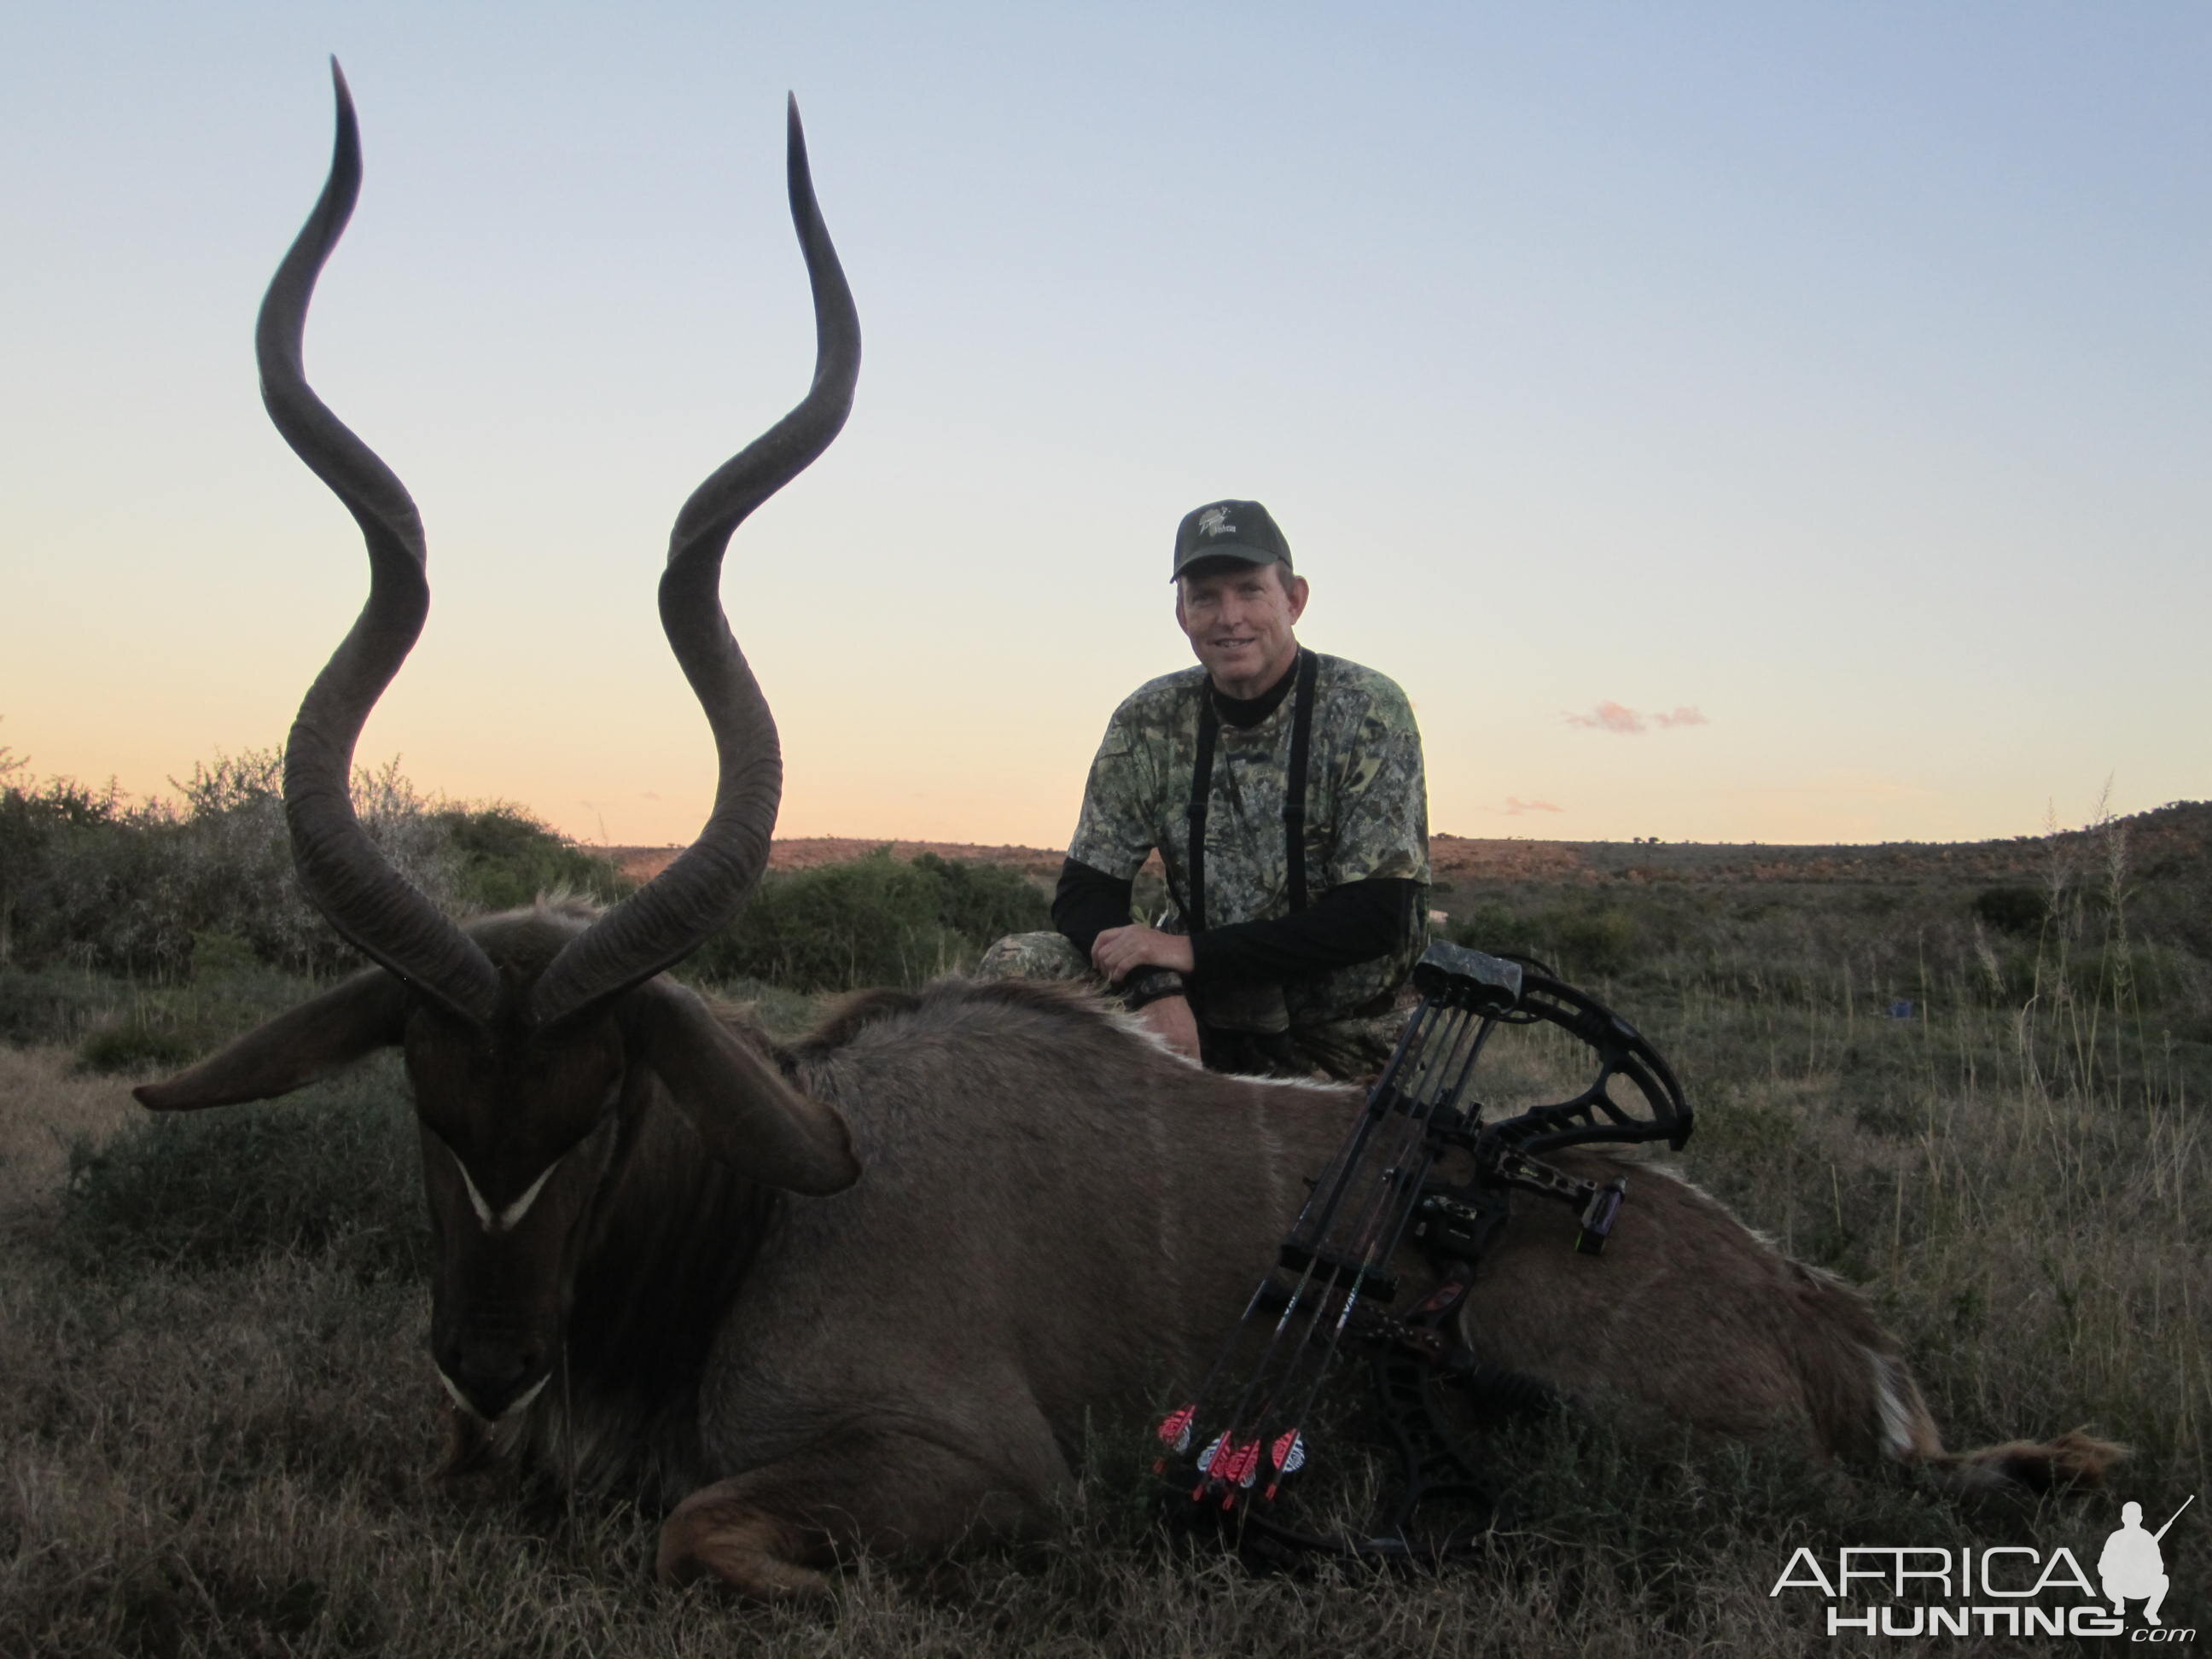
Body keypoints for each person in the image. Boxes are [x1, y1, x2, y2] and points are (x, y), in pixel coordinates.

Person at [981, 498, 1429, 1078]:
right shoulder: (1148, 718)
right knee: (1015, 965)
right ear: (1181, 613)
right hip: (1196, 1007)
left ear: (1293, 600)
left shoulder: (1368, 708)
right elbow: (1085, 890)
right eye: (1205, 597)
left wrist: (1185, 951)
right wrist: (1152, 984)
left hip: (1339, 1026)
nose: (1229, 617)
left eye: (1249, 590)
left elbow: (1374, 917)